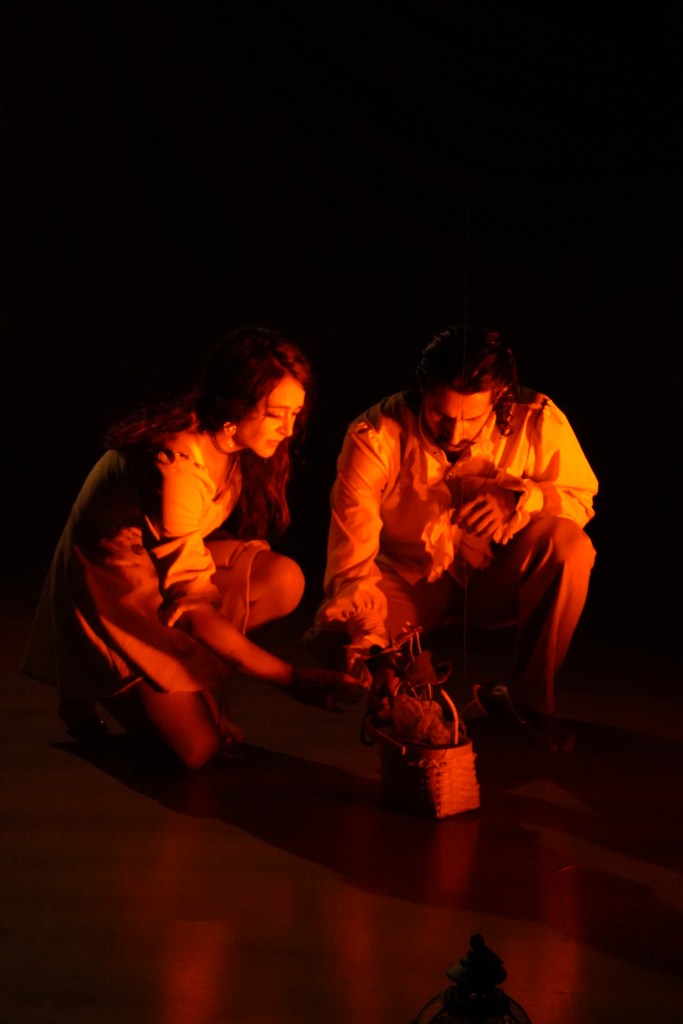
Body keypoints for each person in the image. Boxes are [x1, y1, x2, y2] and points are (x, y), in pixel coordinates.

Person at [22, 326, 364, 769]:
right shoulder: (175, 462)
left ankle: (185, 675)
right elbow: (195, 608)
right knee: (199, 752)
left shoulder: (232, 441)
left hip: (158, 568)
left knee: (283, 579)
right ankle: (99, 678)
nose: (288, 429)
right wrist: (292, 678)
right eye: (276, 414)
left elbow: (192, 546)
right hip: (113, 587)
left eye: (295, 414)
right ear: (236, 404)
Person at [307, 324, 598, 753]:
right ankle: (401, 694)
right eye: (441, 415)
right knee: (344, 641)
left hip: (494, 579)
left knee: (570, 546)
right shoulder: (374, 436)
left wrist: (518, 499)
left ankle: (532, 705)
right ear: (423, 390)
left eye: (472, 419)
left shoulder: (535, 419)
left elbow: (580, 498)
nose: (456, 433)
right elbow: (351, 560)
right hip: (408, 582)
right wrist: (376, 651)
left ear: (500, 399)